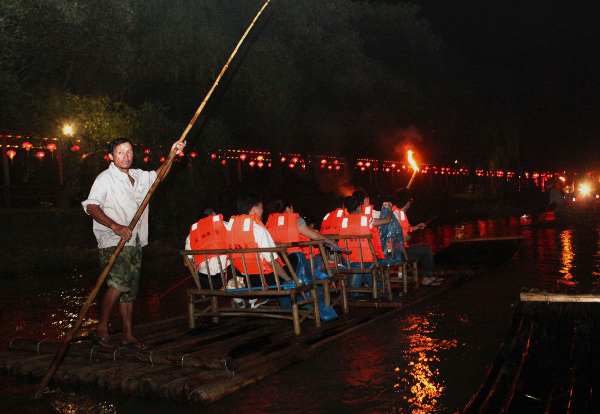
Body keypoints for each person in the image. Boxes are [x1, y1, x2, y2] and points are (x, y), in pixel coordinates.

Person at [82, 138, 186, 348]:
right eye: (120, 152)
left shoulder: (139, 176)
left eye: (129, 152)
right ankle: (102, 328)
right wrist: (115, 226)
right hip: (113, 240)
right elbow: (91, 207)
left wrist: (172, 154)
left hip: (135, 240)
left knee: (129, 290)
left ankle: (128, 335)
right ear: (111, 156)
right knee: (118, 284)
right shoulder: (105, 179)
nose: (126, 156)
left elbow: (159, 176)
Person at [225, 192, 293, 307]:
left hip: (243, 278)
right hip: (263, 280)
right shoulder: (258, 229)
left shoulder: (230, 230)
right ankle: (260, 297)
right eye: (261, 208)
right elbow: (272, 261)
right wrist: (289, 279)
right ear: (253, 210)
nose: (263, 211)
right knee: (294, 261)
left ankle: (253, 298)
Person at [393, 188, 441, 286]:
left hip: (395, 250)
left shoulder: (396, 212)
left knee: (425, 247)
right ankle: (426, 278)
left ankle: (429, 276)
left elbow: (405, 229)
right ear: (408, 203)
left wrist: (416, 227)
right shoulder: (399, 216)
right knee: (425, 250)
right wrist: (411, 234)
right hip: (398, 253)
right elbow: (405, 238)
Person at [351, 188, 404, 262]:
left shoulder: (349, 218)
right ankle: (398, 271)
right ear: (366, 200)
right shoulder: (370, 216)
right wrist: (390, 209)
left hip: (353, 255)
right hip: (372, 254)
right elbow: (388, 220)